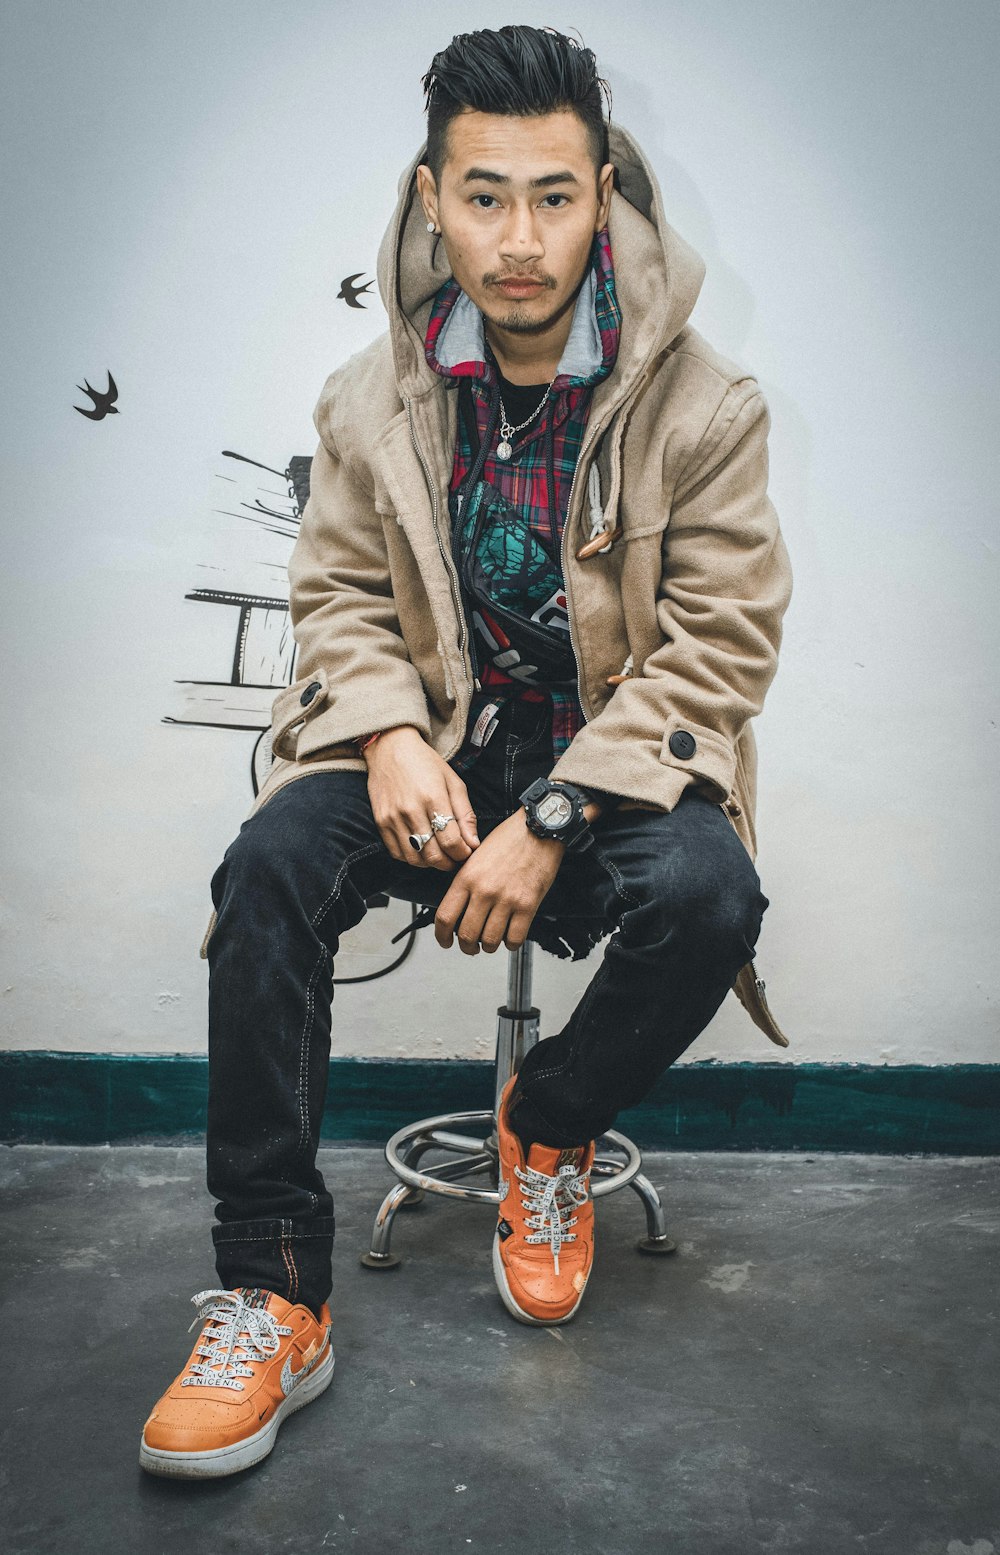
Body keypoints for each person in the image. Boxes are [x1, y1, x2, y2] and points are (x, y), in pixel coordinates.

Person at [139, 24, 793, 1479]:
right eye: (484, 195)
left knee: (711, 898)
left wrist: (556, 809)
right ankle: (271, 1293)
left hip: (608, 770)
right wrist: (378, 736)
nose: (519, 238)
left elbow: (722, 650)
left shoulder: (709, 405)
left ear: (606, 193)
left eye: (554, 196)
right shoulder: (368, 397)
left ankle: (544, 1128)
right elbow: (339, 598)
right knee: (264, 874)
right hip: (427, 753)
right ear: (431, 194)